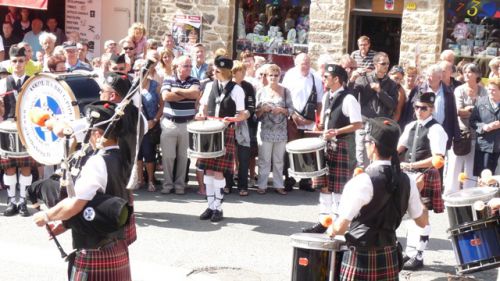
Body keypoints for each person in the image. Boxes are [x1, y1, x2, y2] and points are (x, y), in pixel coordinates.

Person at [33, 101, 134, 280]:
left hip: (95, 247)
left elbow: (76, 204)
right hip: (117, 244)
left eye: (89, 132)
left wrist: (47, 216)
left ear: (97, 133)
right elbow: (99, 204)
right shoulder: (124, 157)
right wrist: (65, 224)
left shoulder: (97, 162)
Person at [328, 117, 428, 280]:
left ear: (373, 146)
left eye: (366, 141)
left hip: (360, 258)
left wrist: (330, 230)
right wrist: (418, 193)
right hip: (388, 252)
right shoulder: (408, 181)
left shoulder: (361, 181)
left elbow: (340, 227)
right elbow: (422, 222)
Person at [303, 65, 362, 233]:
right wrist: (320, 127)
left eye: (326, 76)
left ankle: (337, 222)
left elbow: (358, 124)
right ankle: (324, 221)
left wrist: (336, 131)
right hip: (327, 144)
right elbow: (326, 121)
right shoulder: (328, 95)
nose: (324, 79)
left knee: (338, 187)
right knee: (324, 185)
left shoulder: (349, 98)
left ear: (336, 79)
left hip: (342, 145)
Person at [398, 92, 448, 270]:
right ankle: (410, 253)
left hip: (425, 174)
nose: (419, 111)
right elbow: (399, 148)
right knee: (412, 214)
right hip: (410, 174)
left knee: (422, 215)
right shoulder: (411, 125)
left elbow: (437, 158)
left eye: (424, 108)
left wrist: (411, 165)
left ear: (432, 109)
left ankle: (419, 255)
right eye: (416, 107)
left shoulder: (436, 129)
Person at [196, 56, 248, 222]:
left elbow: (242, 114)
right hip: (208, 131)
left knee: (218, 171)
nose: (214, 72)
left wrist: (231, 120)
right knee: (208, 170)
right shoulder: (210, 85)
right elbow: (203, 106)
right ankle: (210, 206)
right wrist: (200, 113)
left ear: (224, 72)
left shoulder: (236, 90)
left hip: (225, 132)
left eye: (217, 70)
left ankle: (218, 208)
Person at [1, 46, 37, 217]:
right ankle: (11, 200)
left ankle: (22, 200)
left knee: (25, 166)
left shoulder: (33, 82)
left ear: (26, 61)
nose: (18, 64)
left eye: (21, 61)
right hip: (7, 127)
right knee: (9, 168)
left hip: (26, 128)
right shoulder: (2, 83)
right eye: (14, 61)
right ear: (10, 62)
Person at [282, 53, 324, 191]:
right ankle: (290, 178)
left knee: (308, 149)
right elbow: (285, 98)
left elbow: (319, 102)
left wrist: (316, 120)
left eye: (308, 62)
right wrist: (293, 114)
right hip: (292, 117)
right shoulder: (290, 75)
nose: (305, 65)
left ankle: (306, 180)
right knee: (292, 147)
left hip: (310, 119)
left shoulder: (316, 77)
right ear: (296, 63)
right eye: (303, 63)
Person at [444, 63, 487, 195]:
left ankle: (469, 194)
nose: (467, 74)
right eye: (465, 71)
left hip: (477, 134)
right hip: (461, 133)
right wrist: (472, 111)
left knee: (472, 167)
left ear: (477, 75)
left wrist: (469, 110)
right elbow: (459, 111)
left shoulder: (483, 91)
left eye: (470, 72)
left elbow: (486, 112)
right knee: (455, 165)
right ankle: (450, 193)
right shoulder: (459, 90)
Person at [160, 55, 200, 195]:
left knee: (184, 157)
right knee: (168, 156)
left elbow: (195, 94)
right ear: (177, 66)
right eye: (185, 66)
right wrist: (186, 94)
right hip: (169, 123)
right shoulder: (168, 79)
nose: (189, 68)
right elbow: (165, 97)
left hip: (187, 124)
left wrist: (176, 91)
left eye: (190, 66)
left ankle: (179, 186)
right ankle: (167, 184)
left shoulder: (194, 80)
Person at [353, 52, 398, 168]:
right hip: (365, 124)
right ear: (375, 64)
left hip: (381, 127)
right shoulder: (364, 79)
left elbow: (393, 105)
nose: (386, 66)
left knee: (379, 162)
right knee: (362, 161)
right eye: (383, 63)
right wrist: (352, 80)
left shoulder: (391, 84)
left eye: (388, 64)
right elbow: (351, 96)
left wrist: (380, 92)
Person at [255, 64, 294, 195]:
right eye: (270, 75)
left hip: (281, 130)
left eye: (276, 75)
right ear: (266, 76)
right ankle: (262, 184)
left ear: (280, 76)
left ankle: (279, 184)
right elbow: (255, 113)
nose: (273, 78)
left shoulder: (285, 91)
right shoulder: (261, 91)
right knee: (264, 159)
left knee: (278, 159)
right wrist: (262, 109)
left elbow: (291, 110)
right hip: (266, 129)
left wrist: (282, 110)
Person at [135, 57, 164, 192]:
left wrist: (155, 120)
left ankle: (151, 180)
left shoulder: (155, 86)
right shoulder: (132, 87)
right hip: (136, 126)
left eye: (142, 69)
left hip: (150, 125)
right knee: (137, 154)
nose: (139, 72)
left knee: (149, 153)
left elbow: (162, 106)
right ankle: (140, 180)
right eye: (136, 70)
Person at [228, 60, 255, 196]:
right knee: (228, 156)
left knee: (244, 156)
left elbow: (251, 106)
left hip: (245, 123)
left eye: (245, 71)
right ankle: (227, 184)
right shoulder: (227, 86)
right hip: (229, 123)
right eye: (241, 71)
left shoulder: (248, 86)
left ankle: (243, 186)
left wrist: (246, 115)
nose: (243, 73)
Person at [470, 78, 500, 177]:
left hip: (498, 147)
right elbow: (472, 121)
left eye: (494, 90)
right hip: (484, 147)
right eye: (489, 89)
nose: (490, 92)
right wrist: (484, 127)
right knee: (484, 177)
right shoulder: (481, 102)